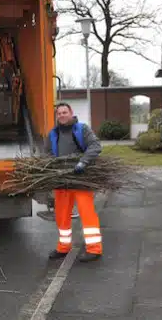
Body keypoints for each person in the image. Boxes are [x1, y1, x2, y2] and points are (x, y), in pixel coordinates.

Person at [44, 103, 103, 263]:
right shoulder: (53, 134)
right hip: (62, 180)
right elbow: (48, 153)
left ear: (71, 113)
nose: (62, 115)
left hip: (81, 179)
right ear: (57, 116)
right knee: (62, 216)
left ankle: (94, 249)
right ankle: (63, 247)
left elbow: (95, 146)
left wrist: (83, 163)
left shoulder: (82, 129)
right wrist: (55, 167)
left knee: (87, 213)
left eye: (64, 112)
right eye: (59, 113)